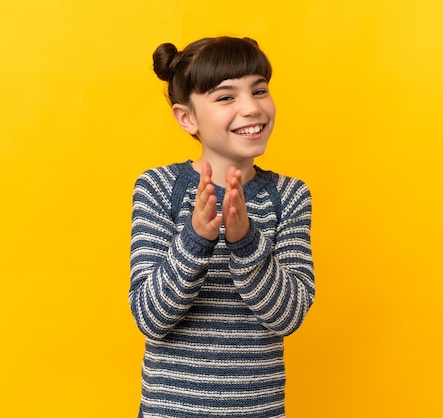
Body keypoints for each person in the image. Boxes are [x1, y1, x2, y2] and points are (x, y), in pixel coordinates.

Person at [129, 36, 315, 418]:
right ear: (187, 117)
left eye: (259, 90)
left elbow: (289, 316)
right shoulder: (158, 188)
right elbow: (150, 317)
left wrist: (246, 241)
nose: (251, 108)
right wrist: (196, 238)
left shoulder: (290, 195)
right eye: (226, 97)